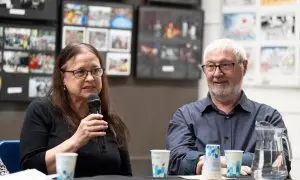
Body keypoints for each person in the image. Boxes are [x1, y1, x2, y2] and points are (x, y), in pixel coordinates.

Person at [167, 38, 291, 175]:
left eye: (225, 65)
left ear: (244, 67)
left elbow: (280, 161)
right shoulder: (185, 116)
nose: (217, 73)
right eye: (210, 66)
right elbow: (176, 161)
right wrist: (231, 165)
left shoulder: (268, 117)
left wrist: (214, 163)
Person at [20, 43, 132, 177]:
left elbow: (126, 175)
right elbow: (30, 169)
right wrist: (76, 140)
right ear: (63, 78)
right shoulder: (42, 110)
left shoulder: (111, 121)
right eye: (80, 72)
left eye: (96, 70)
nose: (90, 78)